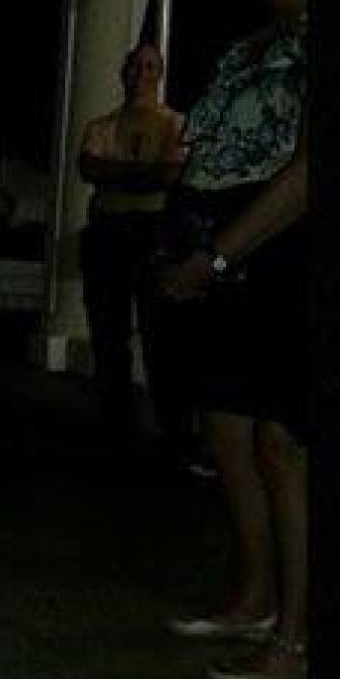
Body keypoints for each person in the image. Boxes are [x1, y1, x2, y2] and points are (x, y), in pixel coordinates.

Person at [161, 0, 307, 679]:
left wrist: (217, 256)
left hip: (285, 253)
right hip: (226, 252)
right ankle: (254, 598)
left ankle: (296, 638)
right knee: (226, 425)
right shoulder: (249, 44)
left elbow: (306, 175)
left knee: (285, 443)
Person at [77, 44, 191, 459]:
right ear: (124, 73)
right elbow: (90, 168)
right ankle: (117, 424)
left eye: (149, 67)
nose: (141, 74)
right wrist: (146, 173)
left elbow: (170, 176)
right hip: (109, 232)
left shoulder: (175, 123)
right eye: (135, 66)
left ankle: (172, 429)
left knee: (161, 334)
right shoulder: (101, 125)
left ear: (159, 74)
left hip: (152, 233)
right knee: (109, 333)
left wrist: (117, 172)